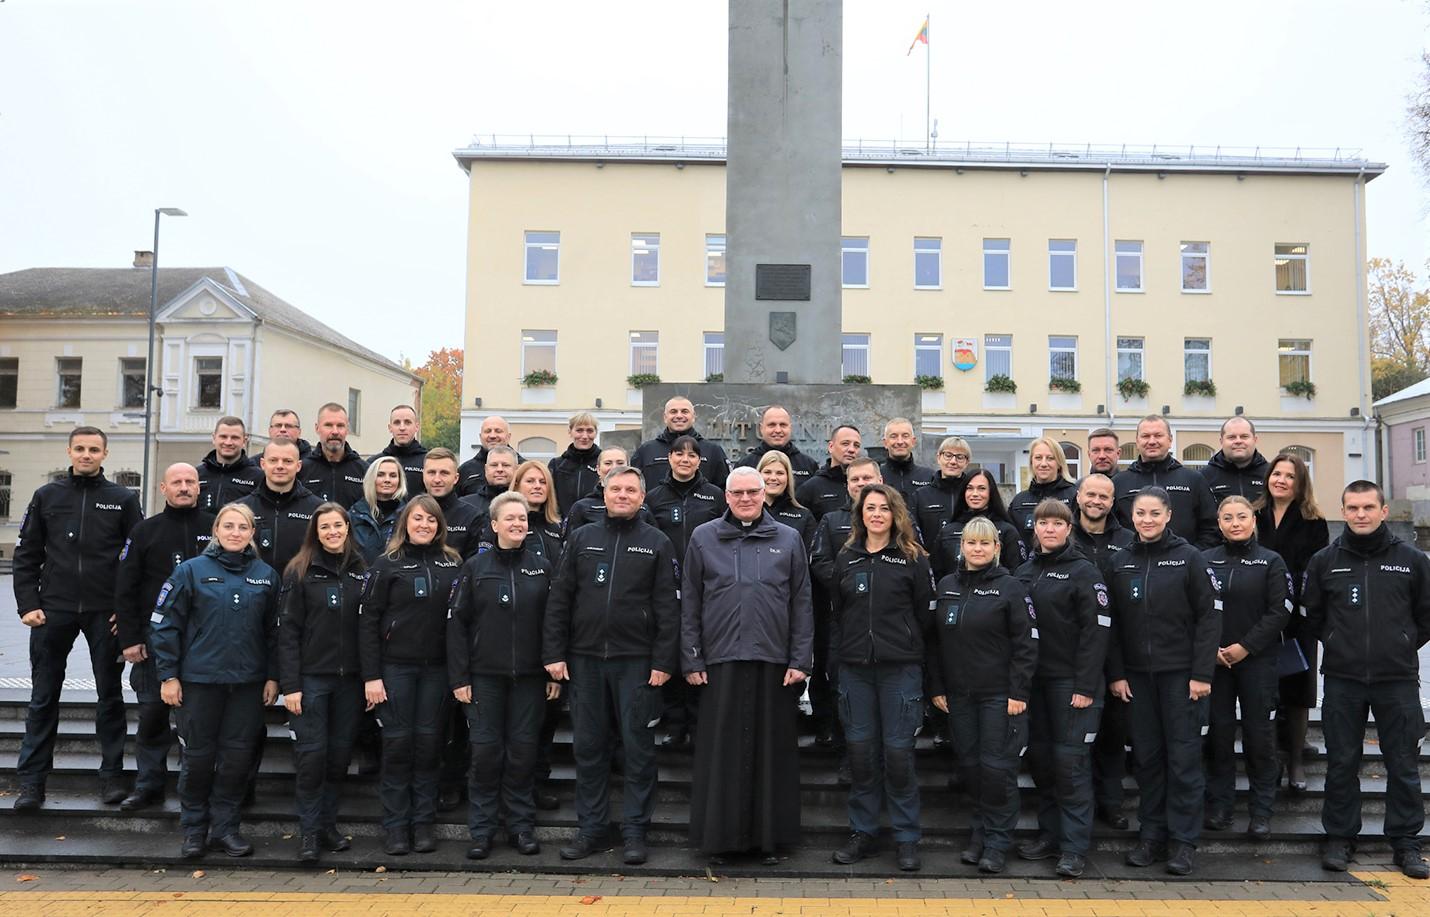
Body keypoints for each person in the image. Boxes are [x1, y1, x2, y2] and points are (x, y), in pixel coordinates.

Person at [543, 467, 680, 865]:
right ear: (604, 493)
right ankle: (592, 829)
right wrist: (553, 653)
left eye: (630, 490)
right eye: (615, 488)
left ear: (642, 497)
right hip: (585, 660)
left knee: (638, 750)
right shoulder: (581, 538)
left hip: (637, 663)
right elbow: (560, 598)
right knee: (588, 748)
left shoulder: (657, 542)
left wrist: (663, 660)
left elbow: (668, 608)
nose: (622, 495)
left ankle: (635, 831)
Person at [681, 466, 813, 865]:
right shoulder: (703, 538)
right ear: (726, 496)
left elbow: (802, 602)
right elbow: (690, 601)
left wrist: (801, 659)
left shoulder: (788, 538)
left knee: (770, 755)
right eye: (737, 493)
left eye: (752, 492)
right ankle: (721, 841)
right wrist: (691, 656)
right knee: (721, 755)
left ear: (763, 494)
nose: (745, 499)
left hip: (773, 660)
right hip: (719, 660)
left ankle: (767, 841)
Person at [1303, 481, 1430, 879]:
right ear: (1343, 511)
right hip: (1343, 679)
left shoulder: (1412, 560)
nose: (1360, 514)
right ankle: (1340, 838)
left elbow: (1426, 614)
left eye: (1368, 507)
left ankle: (1406, 843)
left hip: (1397, 679)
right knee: (1342, 762)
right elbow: (1313, 615)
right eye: (1353, 508)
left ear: (1383, 511)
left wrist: (1402, 643)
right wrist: (1337, 643)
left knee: (1403, 764)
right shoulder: (1324, 561)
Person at [12, 426, 142, 811]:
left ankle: (112, 777)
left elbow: (136, 560)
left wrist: (126, 610)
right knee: (43, 698)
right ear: (69, 451)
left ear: (105, 454)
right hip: (53, 610)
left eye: (94, 449)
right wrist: (27, 604)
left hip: (105, 613)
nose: (87, 455)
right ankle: (32, 783)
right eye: (80, 448)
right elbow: (26, 554)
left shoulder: (122, 499)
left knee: (110, 697)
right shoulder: (46, 496)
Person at [150, 503, 280, 859]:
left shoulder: (266, 575)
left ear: (252, 534)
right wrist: (168, 676)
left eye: (243, 527)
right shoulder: (190, 571)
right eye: (229, 526)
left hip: (247, 685)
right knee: (197, 760)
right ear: (216, 531)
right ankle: (194, 831)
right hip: (199, 683)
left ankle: (226, 830)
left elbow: (274, 632)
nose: (235, 533)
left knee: (237, 762)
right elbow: (165, 625)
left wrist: (273, 676)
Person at [1106, 487, 1220, 877]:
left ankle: (1183, 841)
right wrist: (1117, 673)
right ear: (1132, 516)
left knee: (1184, 760)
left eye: (1155, 513)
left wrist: (1201, 674)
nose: (1147, 520)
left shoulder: (1190, 558)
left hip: (1182, 677)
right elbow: (1112, 624)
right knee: (1147, 760)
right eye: (1141, 513)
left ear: (1169, 515)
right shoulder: (1120, 561)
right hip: (1137, 679)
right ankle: (1151, 835)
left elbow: (1209, 618)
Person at [827, 483, 935, 872]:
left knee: (899, 755)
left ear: (895, 515)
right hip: (855, 671)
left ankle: (906, 838)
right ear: (860, 514)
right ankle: (863, 833)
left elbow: (925, 616)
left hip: (899, 670)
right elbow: (837, 614)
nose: (876, 514)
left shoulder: (913, 558)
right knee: (861, 755)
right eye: (870, 508)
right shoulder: (846, 558)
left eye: (884, 508)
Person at [448, 492, 559, 860]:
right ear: (494, 524)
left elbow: (553, 623)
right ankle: (482, 831)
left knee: (523, 754)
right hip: (484, 678)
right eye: (509, 518)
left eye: (522, 518)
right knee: (485, 755)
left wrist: (553, 671)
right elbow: (457, 625)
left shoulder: (543, 567)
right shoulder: (474, 568)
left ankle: (520, 827)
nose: (517, 524)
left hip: (530, 679)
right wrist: (460, 678)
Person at [926, 516, 1037, 875]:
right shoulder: (946, 585)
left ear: (996, 548)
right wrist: (937, 686)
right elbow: (934, 642)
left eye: (984, 543)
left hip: (999, 695)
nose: (977, 549)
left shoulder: (1011, 587)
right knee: (971, 768)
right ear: (962, 547)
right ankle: (980, 832)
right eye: (971, 543)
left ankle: (998, 841)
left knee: (997, 770)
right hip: (959, 696)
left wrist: (1018, 691)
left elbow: (1026, 644)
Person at [358, 495, 464, 856]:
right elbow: (368, 622)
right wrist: (372, 677)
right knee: (398, 747)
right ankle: (395, 827)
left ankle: (423, 824)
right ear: (405, 523)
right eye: (418, 518)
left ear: (440, 526)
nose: (424, 525)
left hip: (437, 671)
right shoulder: (385, 564)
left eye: (431, 520)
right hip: (395, 670)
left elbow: (460, 621)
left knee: (429, 747)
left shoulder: (453, 563)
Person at [1014, 499, 1113, 879]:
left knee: (1070, 766)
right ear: (1035, 529)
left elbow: (1096, 632)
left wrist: (1085, 685)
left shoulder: (1084, 571)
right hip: (1034, 684)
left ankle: (1073, 848)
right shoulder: (1024, 572)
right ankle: (1050, 835)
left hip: (1072, 684)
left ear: (1069, 529)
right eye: (1044, 523)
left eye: (1057, 523)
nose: (1050, 529)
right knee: (1042, 762)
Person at [113, 463, 215, 812]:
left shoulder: (215, 527)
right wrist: (130, 639)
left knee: (198, 722)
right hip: (154, 643)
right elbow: (125, 588)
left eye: (190, 482)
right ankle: (149, 786)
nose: (184, 487)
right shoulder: (144, 532)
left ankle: (195, 788)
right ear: (163, 488)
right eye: (177, 482)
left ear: (198, 487)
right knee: (152, 716)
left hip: (203, 643)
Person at [277, 502, 368, 863]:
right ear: (315, 532)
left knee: (338, 758)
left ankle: (328, 825)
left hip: (350, 682)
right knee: (312, 758)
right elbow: (287, 632)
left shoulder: (362, 569)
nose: (332, 532)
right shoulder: (298, 571)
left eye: (338, 525)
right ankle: (310, 832)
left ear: (348, 528)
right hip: (311, 680)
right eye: (325, 527)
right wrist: (290, 686)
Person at [1202, 495, 1290, 839]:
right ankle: (1220, 806)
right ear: (1219, 523)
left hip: (1258, 662)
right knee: (1219, 736)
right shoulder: (1205, 560)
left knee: (1259, 737)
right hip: (1215, 662)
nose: (1235, 523)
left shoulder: (1271, 561)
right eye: (1227, 518)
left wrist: (1245, 647)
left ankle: (1261, 811)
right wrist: (1210, 648)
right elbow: (1193, 608)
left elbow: (1279, 611)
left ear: (1253, 521)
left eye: (1241, 516)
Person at [1255, 452, 1329, 794]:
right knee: (1266, 690)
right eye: (1277, 474)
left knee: (1297, 691)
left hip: (1297, 618)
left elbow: (1313, 570)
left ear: (1300, 483)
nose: (1281, 480)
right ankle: (1271, 759)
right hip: (1259, 615)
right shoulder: (1254, 514)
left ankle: (1296, 760)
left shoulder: (1313, 521)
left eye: (1289, 476)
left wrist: (1291, 602)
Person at [645, 435, 724, 749]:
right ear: (670, 458)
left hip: (707, 585)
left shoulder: (715, 495)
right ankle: (675, 723)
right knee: (671, 651)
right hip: (666, 586)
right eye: (679, 454)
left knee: (700, 651)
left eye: (692, 455)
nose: (685, 460)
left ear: (699, 461)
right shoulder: (654, 497)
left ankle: (698, 721)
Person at [1070, 473, 1135, 832]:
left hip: (1119, 651)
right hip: (1073, 654)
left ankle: (1111, 803)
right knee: (1075, 739)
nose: (1096, 501)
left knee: (1113, 734)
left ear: (1112, 502)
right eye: (1090, 494)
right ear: (1078, 496)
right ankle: (1080, 806)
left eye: (1104, 496)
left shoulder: (1128, 541)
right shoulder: (1063, 535)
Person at [808, 457, 884, 753]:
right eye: (855, 479)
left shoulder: (898, 517)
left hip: (887, 621)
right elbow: (820, 560)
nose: (861, 484)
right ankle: (846, 759)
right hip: (844, 617)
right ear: (847, 484)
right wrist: (849, 585)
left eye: (867, 478)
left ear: (880, 480)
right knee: (843, 689)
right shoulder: (831, 520)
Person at [1113, 416, 1219, 549]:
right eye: (1145, 436)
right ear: (1137, 441)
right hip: (1133, 560)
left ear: (1170, 440)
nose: (1152, 441)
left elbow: (1211, 527)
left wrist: (1191, 556)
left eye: (1158, 435)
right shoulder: (1119, 482)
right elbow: (1111, 530)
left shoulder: (1193, 480)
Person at [237, 439, 324, 577]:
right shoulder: (241, 509)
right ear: (263, 464)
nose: (280, 466)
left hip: (300, 587)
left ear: (298, 466)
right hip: (251, 588)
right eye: (273, 460)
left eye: (287, 461)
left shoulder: (318, 510)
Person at [931, 469, 1025, 581]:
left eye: (981, 488)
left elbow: (1017, 572)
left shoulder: (1007, 531)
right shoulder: (947, 532)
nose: (975, 494)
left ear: (991, 492)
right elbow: (936, 574)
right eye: (970, 488)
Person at [631, 395, 729, 489]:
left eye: (684, 411)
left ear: (693, 416)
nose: (679, 416)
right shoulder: (646, 451)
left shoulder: (713, 451)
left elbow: (725, 488)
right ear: (665, 417)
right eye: (673, 412)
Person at [1008, 438, 1078, 552]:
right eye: (1038, 458)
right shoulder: (1019, 501)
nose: (1043, 464)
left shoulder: (1074, 496)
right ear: (1031, 462)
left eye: (1050, 458)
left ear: (1059, 463)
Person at [563, 446, 655, 533]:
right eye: (608, 463)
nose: (614, 467)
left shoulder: (643, 509)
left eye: (620, 463)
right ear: (598, 469)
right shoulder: (582, 508)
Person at [299, 402, 368, 508]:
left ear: (347, 429)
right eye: (328, 425)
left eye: (340, 426)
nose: (335, 431)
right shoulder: (302, 470)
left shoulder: (364, 471)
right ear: (317, 428)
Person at [734, 404, 821, 486]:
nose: (778, 430)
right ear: (761, 428)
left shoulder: (808, 465)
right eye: (772, 425)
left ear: (790, 428)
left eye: (783, 425)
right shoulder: (745, 465)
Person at [912, 436, 972, 548]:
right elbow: (913, 535)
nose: (953, 461)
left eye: (960, 457)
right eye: (948, 455)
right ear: (939, 458)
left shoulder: (973, 495)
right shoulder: (921, 496)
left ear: (967, 462)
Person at [423, 448, 482, 560]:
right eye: (431, 473)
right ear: (423, 476)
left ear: (456, 478)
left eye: (444, 473)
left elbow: (475, 564)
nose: (437, 479)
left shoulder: (472, 517)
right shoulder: (407, 514)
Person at [349, 456, 409, 564]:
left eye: (393, 475)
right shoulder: (354, 515)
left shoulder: (409, 515)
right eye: (380, 475)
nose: (387, 480)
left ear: (400, 480)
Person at [797, 424, 863, 520]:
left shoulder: (866, 484)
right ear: (831, 446)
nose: (852, 450)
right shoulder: (811, 487)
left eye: (856, 446)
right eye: (845, 444)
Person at [197, 416, 260, 512]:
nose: (228, 442)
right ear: (214, 438)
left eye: (235, 438)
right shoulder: (197, 474)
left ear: (244, 441)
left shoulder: (257, 477)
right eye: (223, 437)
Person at [1200, 417, 1269, 506]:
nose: (1238, 441)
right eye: (1231, 437)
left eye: (1244, 436)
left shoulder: (1271, 474)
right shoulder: (1204, 477)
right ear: (1221, 441)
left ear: (1255, 440)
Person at [758, 450, 816, 550]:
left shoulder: (804, 517)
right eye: (767, 472)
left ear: (788, 478)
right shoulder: (747, 513)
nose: (773, 478)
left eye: (780, 473)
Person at [549, 412, 603, 516]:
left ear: (596, 433)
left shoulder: (604, 463)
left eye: (590, 431)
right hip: (562, 522)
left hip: (595, 522)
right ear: (570, 432)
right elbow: (550, 498)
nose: (585, 436)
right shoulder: (557, 465)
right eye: (579, 430)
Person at [458, 415, 524, 496]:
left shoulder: (524, 468)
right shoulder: (465, 471)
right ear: (480, 436)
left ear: (508, 436)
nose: (492, 436)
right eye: (488, 431)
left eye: (498, 431)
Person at [877, 417, 935, 509]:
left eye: (905, 436)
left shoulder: (930, 476)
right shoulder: (876, 475)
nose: (900, 441)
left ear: (913, 441)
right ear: (885, 443)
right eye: (894, 436)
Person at [376, 404, 429, 497]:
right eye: (397, 423)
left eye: (407, 422)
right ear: (390, 428)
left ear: (417, 427)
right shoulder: (375, 463)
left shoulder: (428, 462)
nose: (402, 428)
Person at [459, 444, 518, 518]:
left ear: (516, 469)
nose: (499, 469)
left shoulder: (527, 504)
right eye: (494, 465)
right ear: (486, 469)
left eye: (506, 465)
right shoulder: (465, 505)